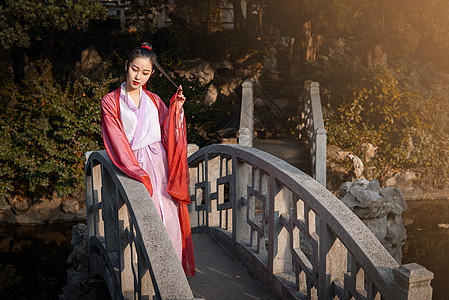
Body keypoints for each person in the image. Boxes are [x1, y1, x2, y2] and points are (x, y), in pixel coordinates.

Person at [100, 42, 195, 276]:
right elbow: (116, 140)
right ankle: (150, 272)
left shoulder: (154, 100)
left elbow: (168, 132)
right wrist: (135, 170)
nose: (138, 76)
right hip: (134, 165)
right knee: (147, 219)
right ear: (126, 66)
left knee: (170, 217)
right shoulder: (110, 101)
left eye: (145, 72)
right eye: (134, 69)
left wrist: (176, 109)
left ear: (151, 74)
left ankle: (171, 273)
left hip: (161, 165)